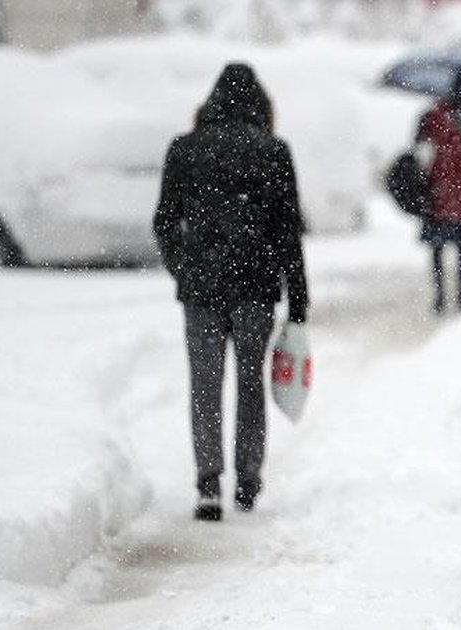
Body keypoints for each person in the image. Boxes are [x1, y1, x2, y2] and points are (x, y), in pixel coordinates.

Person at [154, 63, 308, 522]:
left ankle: (207, 484)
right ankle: (247, 479)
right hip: (255, 286)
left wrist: (183, 267)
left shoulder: (185, 149)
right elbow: (288, 231)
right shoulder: (273, 151)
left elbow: (164, 221)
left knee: (204, 383)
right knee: (249, 382)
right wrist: (297, 296)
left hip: (201, 287)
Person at [417, 66, 461, 314]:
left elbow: (420, 139)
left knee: (438, 247)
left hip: (439, 184)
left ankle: (441, 296)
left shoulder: (438, 112)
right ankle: (460, 294)